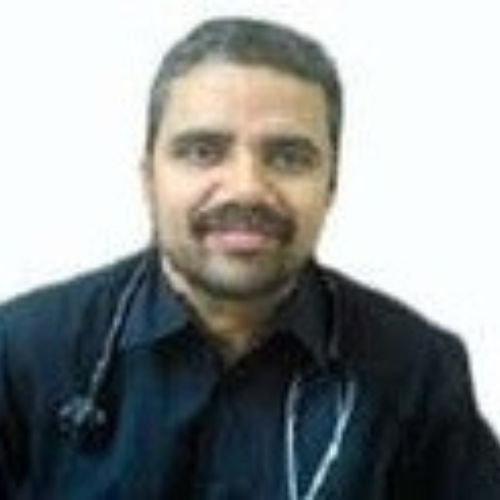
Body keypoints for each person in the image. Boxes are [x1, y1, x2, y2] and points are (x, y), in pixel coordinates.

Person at [0, 16, 499, 500]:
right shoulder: (22, 355)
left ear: (331, 186)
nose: (246, 188)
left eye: (288, 157)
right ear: (149, 178)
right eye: (202, 151)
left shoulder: (418, 371)